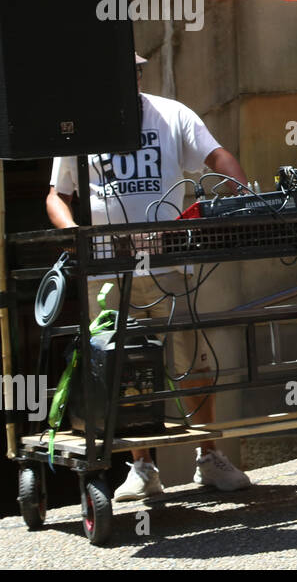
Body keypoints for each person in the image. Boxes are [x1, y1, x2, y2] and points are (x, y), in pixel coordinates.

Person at [46, 54, 253, 500]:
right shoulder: (80, 125)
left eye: (132, 72)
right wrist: (74, 235)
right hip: (110, 267)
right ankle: (142, 466)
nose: (126, 79)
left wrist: (246, 197)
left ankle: (208, 457)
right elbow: (57, 195)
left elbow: (216, 155)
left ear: (139, 76)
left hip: (170, 264)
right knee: (124, 367)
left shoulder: (172, 114)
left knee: (192, 363)